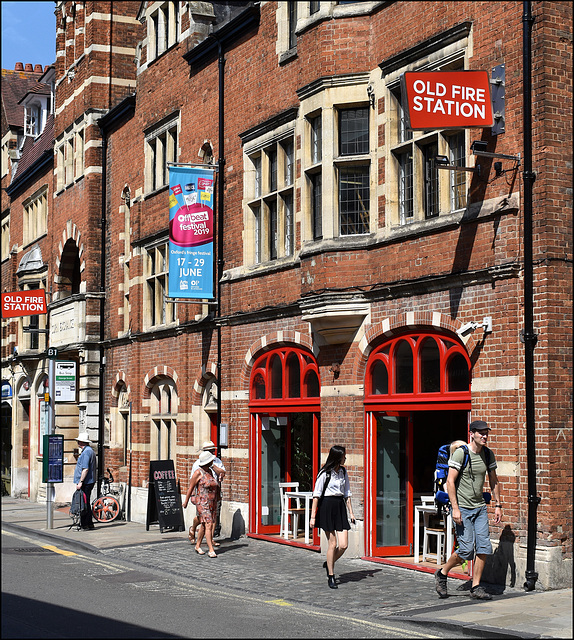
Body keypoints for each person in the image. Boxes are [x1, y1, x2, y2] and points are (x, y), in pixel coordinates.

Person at [434, 420, 502, 600]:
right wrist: (455, 509)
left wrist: (498, 505)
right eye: (481, 433)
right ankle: (442, 573)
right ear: (471, 434)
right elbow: (450, 482)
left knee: (484, 547)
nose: (485, 436)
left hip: (479, 507)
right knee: (465, 551)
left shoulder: (488, 454)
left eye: (486, 433)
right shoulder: (460, 454)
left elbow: (494, 480)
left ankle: (476, 586)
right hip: (463, 508)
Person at [309, 445, 356, 589]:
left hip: (340, 507)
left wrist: (351, 513)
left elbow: (347, 493)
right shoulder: (325, 473)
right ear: (337, 457)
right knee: (333, 544)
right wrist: (313, 517)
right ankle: (331, 575)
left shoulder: (343, 472)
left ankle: (330, 561)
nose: (345, 458)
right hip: (327, 507)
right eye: (343, 456)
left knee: (343, 545)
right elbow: (316, 496)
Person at [183, 449, 220, 557]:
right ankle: (211, 549)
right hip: (202, 503)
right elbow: (190, 488)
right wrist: (186, 501)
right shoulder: (198, 473)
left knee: (204, 526)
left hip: (211, 502)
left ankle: (198, 545)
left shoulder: (210, 471)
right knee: (208, 524)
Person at [188, 441, 226, 544]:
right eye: (210, 451)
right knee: (202, 518)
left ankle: (211, 539)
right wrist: (192, 495)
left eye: (213, 450)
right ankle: (193, 528)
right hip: (202, 495)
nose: (212, 452)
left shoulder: (217, 461)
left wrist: (213, 467)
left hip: (214, 493)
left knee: (214, 516)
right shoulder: (197, 464)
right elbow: (192, 481)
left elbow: (223, 472)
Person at [73, 431, 97, 530]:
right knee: (85, 502)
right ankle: (89, 524)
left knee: (83, 503)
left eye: (79, 441)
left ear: (82, 442)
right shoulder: (89, 451)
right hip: (88, 481)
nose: (78, 443)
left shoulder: (87, 452)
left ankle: (84, 524)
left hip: (86, 482)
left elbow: (85, 469)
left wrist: (80, 482)